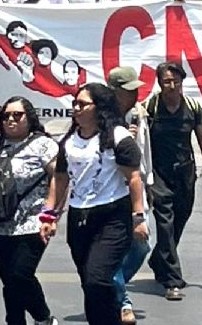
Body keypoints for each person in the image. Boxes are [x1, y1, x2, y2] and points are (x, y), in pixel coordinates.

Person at [39, 84, 147, 325]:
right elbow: (60, 178)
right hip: (80, 219)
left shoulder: (118, 138)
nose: (76, 109)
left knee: (98, 278)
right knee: (90, 284)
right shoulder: (69, 141)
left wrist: (138, 218)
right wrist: (48, 216)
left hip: (112, 217)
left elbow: (134, 179)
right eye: (75, 104)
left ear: (99, 108)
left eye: (83, 104)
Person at [0, 97, 59, 325]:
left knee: (20, 274)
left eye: (17, 115)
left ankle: (43, 317)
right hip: (0, 221)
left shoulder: (43, 145)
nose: (11, 120)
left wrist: (51, 213)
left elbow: (59, 177)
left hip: (33, 220)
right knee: (9, 280)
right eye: (6, 116)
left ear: (29, 117)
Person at [146, 62, 202, 301]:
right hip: (159, 173)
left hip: (185, 173)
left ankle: (159, 260)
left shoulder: (192, 107)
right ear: (159, 83)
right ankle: (172, 280)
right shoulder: (151, 107)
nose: (172, 86)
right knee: (165, 224)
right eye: (167, 81)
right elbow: (141, 141)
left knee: (180, 221)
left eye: (176, 81)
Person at [106, 67, 153, 325]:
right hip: (111, 192)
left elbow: (145, 154)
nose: (135, 94)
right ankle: (122, 300)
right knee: (113, 248)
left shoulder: (138, 115)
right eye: (129, 90)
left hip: (137, 188)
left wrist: (150, 184)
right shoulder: (101, 119)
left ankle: (110, 284)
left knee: (141, 245)